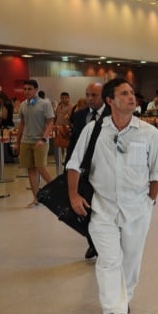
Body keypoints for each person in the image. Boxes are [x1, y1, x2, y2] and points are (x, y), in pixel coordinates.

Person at [66, 78, 158, 314]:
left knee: (130, 260)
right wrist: (75, 196)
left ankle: (125, 298)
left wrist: (149, 201)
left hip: (137, 208)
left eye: (132, 93)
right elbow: (74, 164)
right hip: (102, 207)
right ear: (110, 101)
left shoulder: (149, 133)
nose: (132, 97)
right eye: (124, 93)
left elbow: (157, 173)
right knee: (109, 260)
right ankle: (113, 311)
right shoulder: (94, 131)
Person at [66, 82, 111, 260]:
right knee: (85, 209)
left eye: (94, 95)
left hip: (102, 171)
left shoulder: (112, 116)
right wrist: (69, 167)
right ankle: (93, 242)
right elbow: (74, 145)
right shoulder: (78, 116)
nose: (90, 99)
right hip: (81, 172)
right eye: (88, 95)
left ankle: (100, 244)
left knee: (100, 210)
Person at [15, 79, 55, 207]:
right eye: (25, 89)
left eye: (29, 89)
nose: (26, 91)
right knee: (31, 170)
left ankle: (58, 192)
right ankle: (36, 198)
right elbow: (22, 124)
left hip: (40, 141)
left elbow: (50, 123)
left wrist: (43, 138)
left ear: (36, 90)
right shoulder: (22, 105)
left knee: (41, 167)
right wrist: (17, 141)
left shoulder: (45, 104)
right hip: (26, 141)